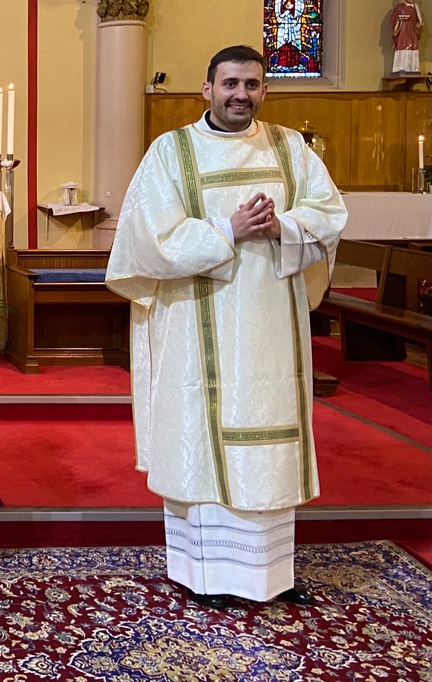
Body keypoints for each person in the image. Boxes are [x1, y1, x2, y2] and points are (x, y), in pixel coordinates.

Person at [106, 45, 347, 610]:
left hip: (270, 324)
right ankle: (205, 573)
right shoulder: (172, 152)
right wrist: (227, 229)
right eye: (231, 83)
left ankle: (270, 575)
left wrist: (281, 227)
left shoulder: (291, 149)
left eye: (253, 85)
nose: (242, 94)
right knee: (201, 436)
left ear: (265, 90)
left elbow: (328, 213)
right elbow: (145, 239)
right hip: (196, 328)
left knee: (268, 442)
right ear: (206, 89)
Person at [390, 0, 423, 74]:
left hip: (412, 32)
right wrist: (399, 19)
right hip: (403, 32)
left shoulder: (416, 7)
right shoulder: (399, 7)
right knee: (403, 47)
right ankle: (401, 67)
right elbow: (392, 19)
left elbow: (418, 21)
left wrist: (419, 24)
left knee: (413, 48)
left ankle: (413, 68)